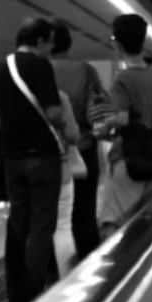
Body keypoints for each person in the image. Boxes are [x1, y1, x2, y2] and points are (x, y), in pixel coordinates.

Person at [0, 18, 66, 302]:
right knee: (41, 225)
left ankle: (15, 295)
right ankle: (32, 300)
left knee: (18, 223)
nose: (51, 50)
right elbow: (54, 112)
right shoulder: (39, 66)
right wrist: (63, 120)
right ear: (40, 40)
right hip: (42, 157)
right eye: (50, 43)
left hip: (12, 158)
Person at [98, 14, 152, 234]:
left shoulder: (123, 79)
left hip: (129, 159)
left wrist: (103, 128)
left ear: (117, 44)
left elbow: (122, 119)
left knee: (111, 225)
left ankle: (114, 269)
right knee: (147, 226)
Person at [50, 19, 107, 260]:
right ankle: (88, 272)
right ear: (69, 43)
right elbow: (101, 111)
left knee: (53, 219)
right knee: (84, 215)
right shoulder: (86, 70)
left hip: (49, 155)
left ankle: (51, 277)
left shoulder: (36, 70)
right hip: (83, 152)